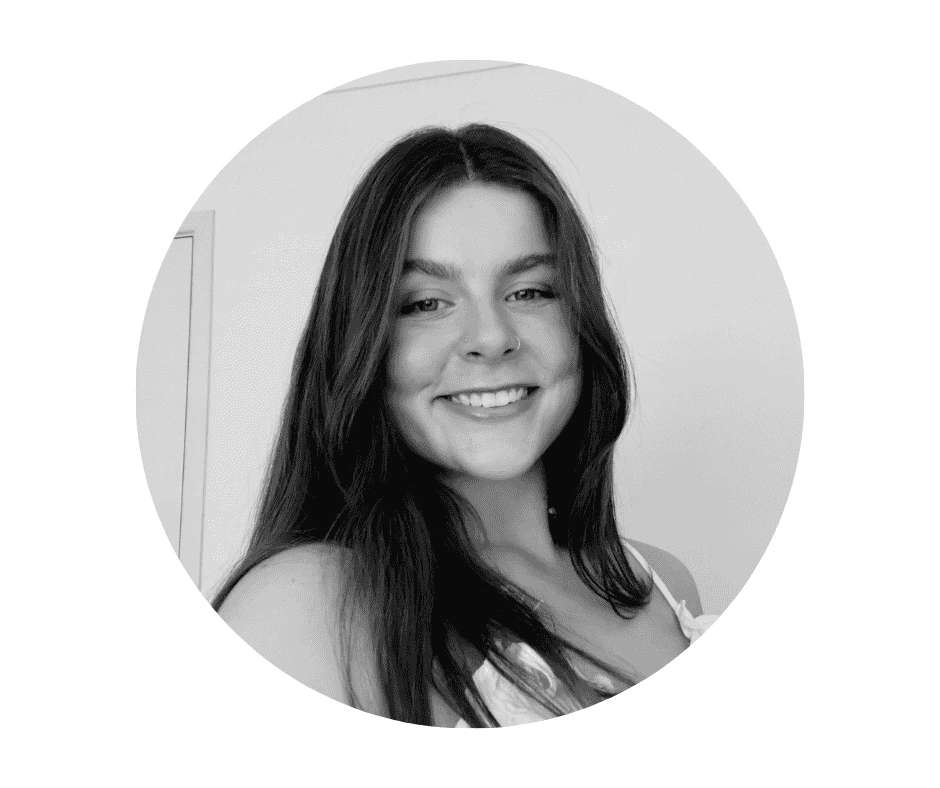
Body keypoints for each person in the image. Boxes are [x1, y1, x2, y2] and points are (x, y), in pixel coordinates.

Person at [213, 123, 716, 727]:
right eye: (426, 302)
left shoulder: (661, 580)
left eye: (531, 291)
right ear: (362, 343)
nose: (491, 337)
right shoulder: (308, 606)